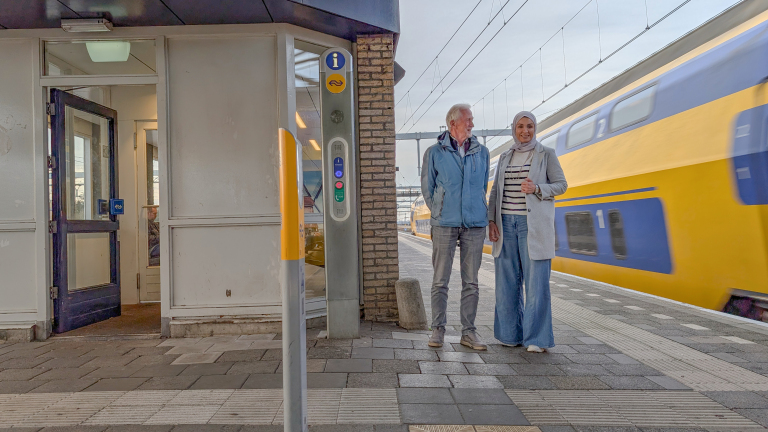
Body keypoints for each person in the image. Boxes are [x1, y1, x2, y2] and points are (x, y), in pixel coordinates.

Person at [487, 111, 567, 353]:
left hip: (533, 226)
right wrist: (491, 220)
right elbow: (495, 193)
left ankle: (537, 339)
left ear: (535, 128)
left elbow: (561, 185)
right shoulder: (505, 157)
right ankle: (510, 335)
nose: (525, 131)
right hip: (505, 226)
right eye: (520, 126)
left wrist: (537, 188)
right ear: (514, 129)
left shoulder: (546, 154)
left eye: (530, 126)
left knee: (536, 284)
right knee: (506, 283)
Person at [421, 103, 490, 350]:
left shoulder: (482, 152)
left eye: (471, 119)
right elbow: (428, 189)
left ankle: (468, 333)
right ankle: (437, 329)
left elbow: (482, 186)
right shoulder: (434, 153)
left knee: (471, 281)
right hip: (444, 224)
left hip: (474, 225)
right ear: (453, 124)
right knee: (440, 280)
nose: (472, 123)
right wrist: (439, 210)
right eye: (468, 120)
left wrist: (477, 209)